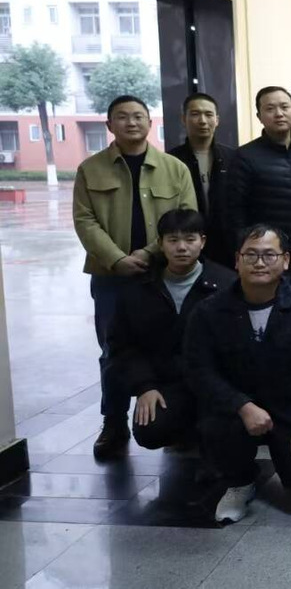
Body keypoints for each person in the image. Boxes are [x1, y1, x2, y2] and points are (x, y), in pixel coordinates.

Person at [73, 94, 197, 460]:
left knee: (171, 342)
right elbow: (84, 220)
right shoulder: (91, 169)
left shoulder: (174, 168)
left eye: (138, 116)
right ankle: (113, 422)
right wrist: (116, 259)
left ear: (150, 122)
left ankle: (172, 416)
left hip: (162, 271)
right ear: (109, 124)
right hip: (110, 275)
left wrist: (148, 253)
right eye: (123, 117)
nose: (131, 122)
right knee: (114, 350)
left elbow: (187, 218)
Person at [185, 225, 291, 524]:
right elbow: (198, 370)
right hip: (235, 411)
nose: (259, 262)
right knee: (217, 427)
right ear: (237, 260)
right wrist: (242, 405)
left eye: (269, 255)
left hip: (290, 411)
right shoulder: (209, 312)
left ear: (286, 260)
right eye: (251, 255)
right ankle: (239, 482)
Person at [104, 209, 235, 450]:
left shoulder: (227, 284)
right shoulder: (139, 287)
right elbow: (122, 345)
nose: (181, 247)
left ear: (203, 242)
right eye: (173, 240)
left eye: (190, 239)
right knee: (150, 430)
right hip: (166, 382)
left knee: (225, 430)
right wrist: (145, 386)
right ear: (160, 244)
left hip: (216, 384)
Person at [227, 86, 291, 289]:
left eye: (284, 107)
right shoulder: (245, 156)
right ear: (259, 116)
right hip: (264, 257)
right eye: (270, 108)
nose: (279, 113)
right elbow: (234, 212)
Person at [169, 92, 237, 267]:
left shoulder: (233, 158)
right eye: (195, 114)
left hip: (227, 245)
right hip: (187, 243)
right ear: (183, 119)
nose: (202, 121)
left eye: (208, 114)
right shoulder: (171, 161)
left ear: (217, 120)